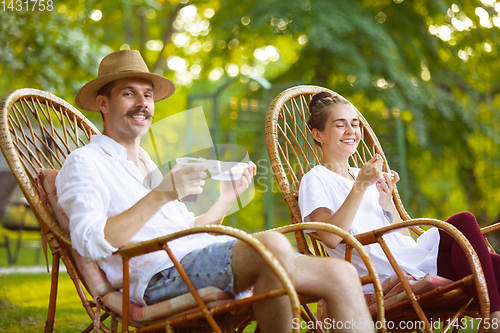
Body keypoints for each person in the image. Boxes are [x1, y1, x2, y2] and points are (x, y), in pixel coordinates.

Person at [55, 50, 374, 333]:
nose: (143, 104)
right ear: (103, 103)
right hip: (159, 278)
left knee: (341, 273)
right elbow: (91, 241)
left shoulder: (147, 165)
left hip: (193, 259)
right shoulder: (84, 162)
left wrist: (226, 196)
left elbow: (186, 233)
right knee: (272, 245)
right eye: (129, 94)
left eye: (148, 95)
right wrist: (161, 194)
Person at [299, 91, 500, 328]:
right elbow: (331, 238)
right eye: (340, 125)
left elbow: (402, 237)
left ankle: (493, 319)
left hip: (408, 257)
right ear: (318, 134)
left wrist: (386, 202)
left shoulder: (362, 174)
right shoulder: (316, 179)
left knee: (483, 251)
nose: (351, 131)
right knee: (473, 235)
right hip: (382, 272)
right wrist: (361, 185)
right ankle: (493, 319)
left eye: (355, 124)